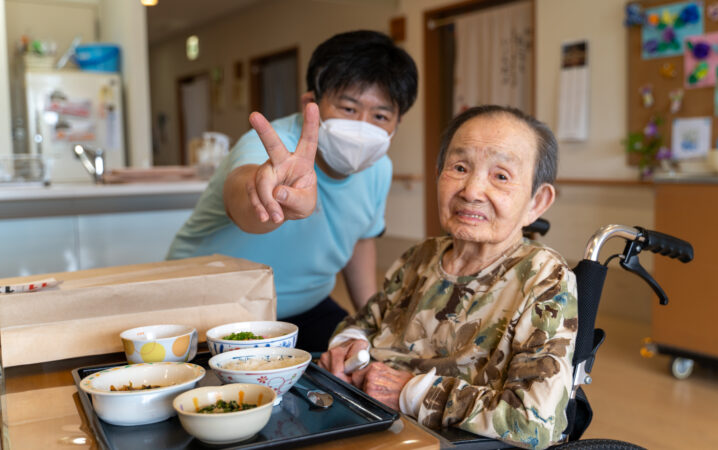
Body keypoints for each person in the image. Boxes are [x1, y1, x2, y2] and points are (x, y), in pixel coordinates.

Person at [320, 105, 577, 449]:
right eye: (459, 168)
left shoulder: (545, 278)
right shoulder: (421, 256)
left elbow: (534, 420)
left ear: (537, 202)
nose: (471, 191)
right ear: (439, 174)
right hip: (364, 417)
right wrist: (348, 347)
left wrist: (411, 392)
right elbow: (366, 321)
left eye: (500, 176)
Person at [166, 30, 418, 352]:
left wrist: (370, 324)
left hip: (304, 309)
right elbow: (243, 202)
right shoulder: (269, 148)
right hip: (208, 307)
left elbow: (359, 240)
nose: (362, 127)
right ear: (310, 103)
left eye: (380, 116)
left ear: (396, 125)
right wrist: (273, 196)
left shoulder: (379, 169)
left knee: (361, 365)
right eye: (349, 108)